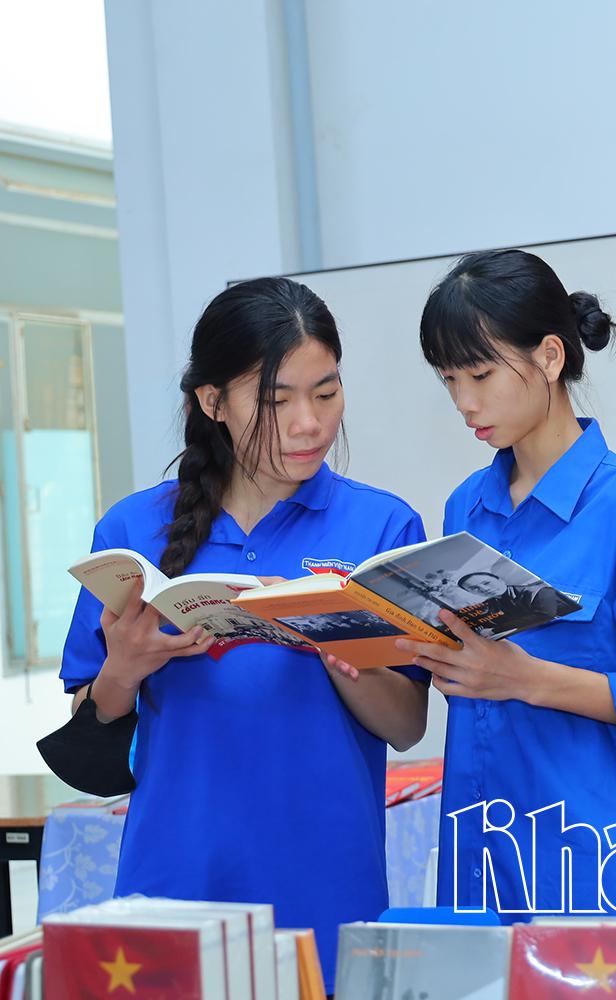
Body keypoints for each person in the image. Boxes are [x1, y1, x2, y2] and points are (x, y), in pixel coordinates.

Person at [56, 277, 430, 981]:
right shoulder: (134, 531)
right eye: (276, 400)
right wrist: (123, 668)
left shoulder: (383, 527)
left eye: (326, 392)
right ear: (211, 402)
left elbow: (407, 724)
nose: (309, 423)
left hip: (328, 885)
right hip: (173, 886)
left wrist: (336, 647)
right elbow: (91, 741)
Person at [397, 249, 616, 918]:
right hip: (483, 863)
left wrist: (523, 677)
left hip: (596, 873)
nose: (464, 403)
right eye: (448, 380)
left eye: (480, 374)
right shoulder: (466, 508)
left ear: (549, 356)